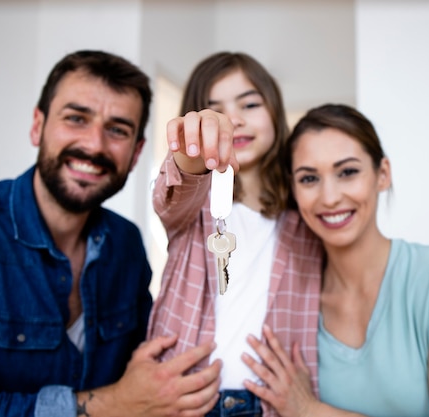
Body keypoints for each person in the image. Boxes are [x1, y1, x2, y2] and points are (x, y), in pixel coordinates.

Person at [0, 50, 222, 417]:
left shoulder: (125, 243)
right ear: (37, 125)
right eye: (76, 118)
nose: (94, 145)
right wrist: (114, 403)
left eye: (117, 129)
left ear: (136, 154)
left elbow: (145, 373)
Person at [241, 103, 429, 417]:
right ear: (294, 189)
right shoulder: (293, 305)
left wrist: (310, 411)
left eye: (348, 172)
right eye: (309, 179)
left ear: (382, 175)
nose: (329, 197)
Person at [147, 51, 323, 416]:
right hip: (185, 399)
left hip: (272, 404)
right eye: (214, 110)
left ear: (275, 111)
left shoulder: (306, 216)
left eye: (250, 103)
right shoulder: (192, 205)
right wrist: (196, 146)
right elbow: (175, 186)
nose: (234, 120)